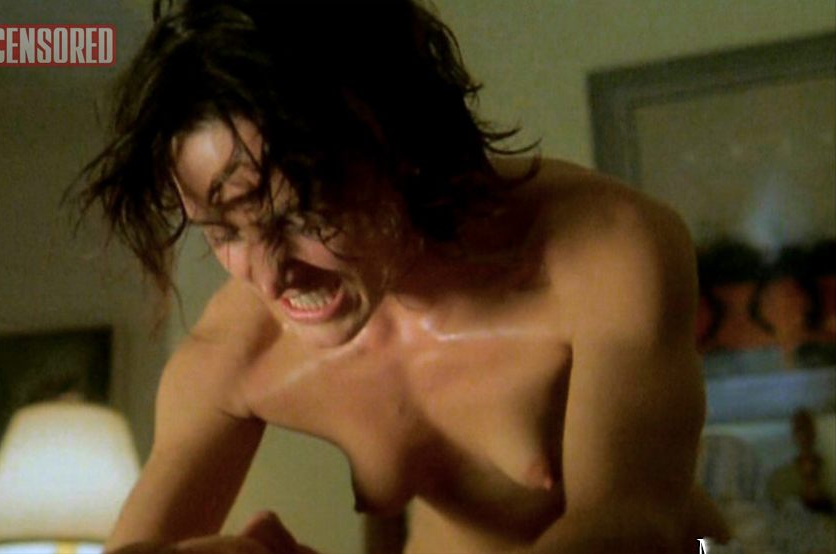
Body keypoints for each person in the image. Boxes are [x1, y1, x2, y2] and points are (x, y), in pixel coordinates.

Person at [80, 0, 729, 551]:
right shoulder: (238, 350)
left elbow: (632, 524)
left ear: (401, 143)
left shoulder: (602, 250)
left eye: (299, 215)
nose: (270, 277)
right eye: (223, 232)